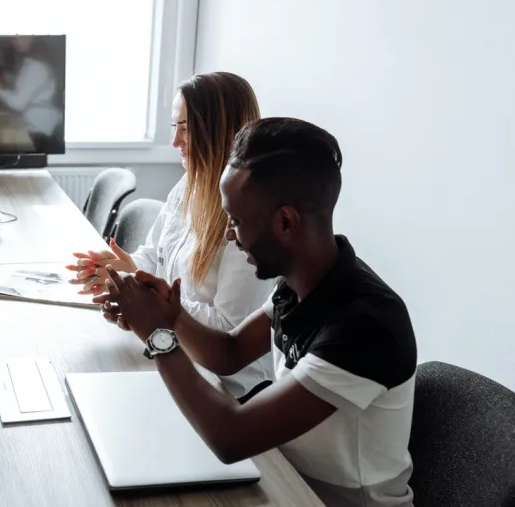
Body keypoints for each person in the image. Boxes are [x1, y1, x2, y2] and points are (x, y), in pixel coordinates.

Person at [95, 117, 417, 507]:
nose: (229, 233)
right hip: (284, 479)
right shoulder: (300, 283)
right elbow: (228, 353)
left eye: (236, 220)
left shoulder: (365, 325)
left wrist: (158, 338)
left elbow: (232, 437)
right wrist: (169, 316)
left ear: (285, 222)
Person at [68, 72, 275, 403]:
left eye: (186, 130)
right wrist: (128, 270)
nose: (175, 143)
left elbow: (228, 333)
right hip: (176, 352)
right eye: (173, 128)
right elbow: (155, 253)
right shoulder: (188, 185)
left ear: (220, 133)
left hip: (230, 389)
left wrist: (153, 305)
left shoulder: (246, 220)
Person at [0, 36, 63, 153]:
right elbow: (23, 87)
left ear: (33, 39)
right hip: (32, 122)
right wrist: (1, 83)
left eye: (20, 37)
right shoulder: (30, 62)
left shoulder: (36, 67)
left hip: (40, 129)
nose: (14, 41)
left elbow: (17, 104)